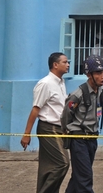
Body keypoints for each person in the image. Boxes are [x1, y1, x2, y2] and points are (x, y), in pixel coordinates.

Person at [20, 52, 71, 193]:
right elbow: (35, 109)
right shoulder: (45, 84)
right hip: (49, 128)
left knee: (48, 166)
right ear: (55, 65)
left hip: (59, 128)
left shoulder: (61, 82)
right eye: (65, 62)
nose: (68, 65)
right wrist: (26, 134)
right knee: (63, 163)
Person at [61, 54, 103, 193]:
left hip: (92, 139)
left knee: (79, 176)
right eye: (98, 73)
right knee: (85, 178)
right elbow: (65, 116)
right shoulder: (77, 94)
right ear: (89, 74)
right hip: (79, 139)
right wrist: (68, 133)